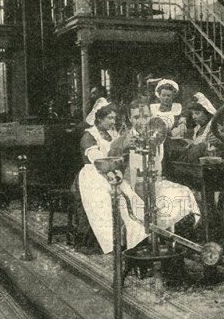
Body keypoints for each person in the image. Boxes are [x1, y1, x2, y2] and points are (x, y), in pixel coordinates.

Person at [109, 98, 201, 236]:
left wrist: (200, 146)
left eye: (145, 116)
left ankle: (170, 238)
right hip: (131, 188)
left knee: (182, 193)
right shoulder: (121, 141)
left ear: (151, 116)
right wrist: (123, 148)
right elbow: (111, 165)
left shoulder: (159, 137)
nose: (142, 122)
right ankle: (148, 237)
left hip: (154, 185)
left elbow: (181, 153)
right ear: (129, 118)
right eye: (136, 117)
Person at [74, 103, 148, 254]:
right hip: (92, 175)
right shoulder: (89, 136)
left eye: (115, 118)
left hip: (112, 172)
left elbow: (118, 156)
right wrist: (111, 172)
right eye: (110, 118)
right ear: (99, 119)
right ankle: (109, 243)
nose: (113, 122)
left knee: (131, 197)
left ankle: (136, 238)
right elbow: (97, 159)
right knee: (103, 200)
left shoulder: (113, 134)